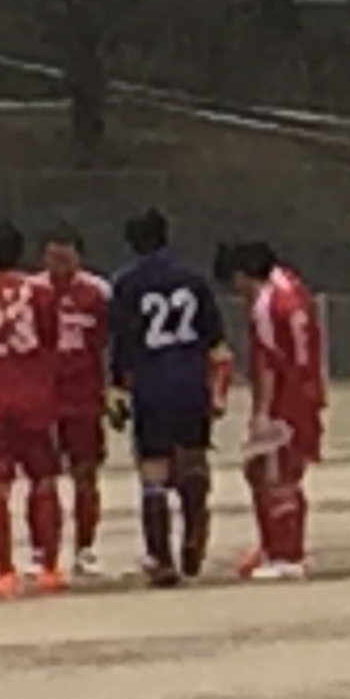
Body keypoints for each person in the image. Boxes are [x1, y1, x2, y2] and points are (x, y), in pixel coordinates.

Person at [109, 209, 232, 587]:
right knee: (193, 458)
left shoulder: (126, 284)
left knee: (154, 469)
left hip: (151, 382)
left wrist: (117, 388)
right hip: (190, 378)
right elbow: (216, 342)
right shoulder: (193, 280)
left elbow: (122, 343)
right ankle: (194, 531)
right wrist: (217, 389)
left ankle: (161, 558)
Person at [0, 224, 67, 599]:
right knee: (44, 481)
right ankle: (49, 567)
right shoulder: (39, 291)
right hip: (34, 397)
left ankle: (4, 571)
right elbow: (51, 338)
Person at [221, 241, 325, 581]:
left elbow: (269, 363)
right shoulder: (291, 285)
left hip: (286, 396)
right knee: (260, 470)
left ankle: (287, 556)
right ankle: (272, 545)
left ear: (242, 276)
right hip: (306, 390)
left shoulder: (267, 304)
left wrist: (262, 412)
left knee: (277, 475)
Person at [42, 227, 114, 578]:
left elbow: (110, 341)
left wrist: (112, 388)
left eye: (66, 258)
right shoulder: (33, 291)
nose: (60, 266)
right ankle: (44, 548)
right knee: (44, 477)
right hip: (44, 398)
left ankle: (85, 547)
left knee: (85, 474)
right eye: (53, 258)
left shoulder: (97, 292)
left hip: (84, 397)